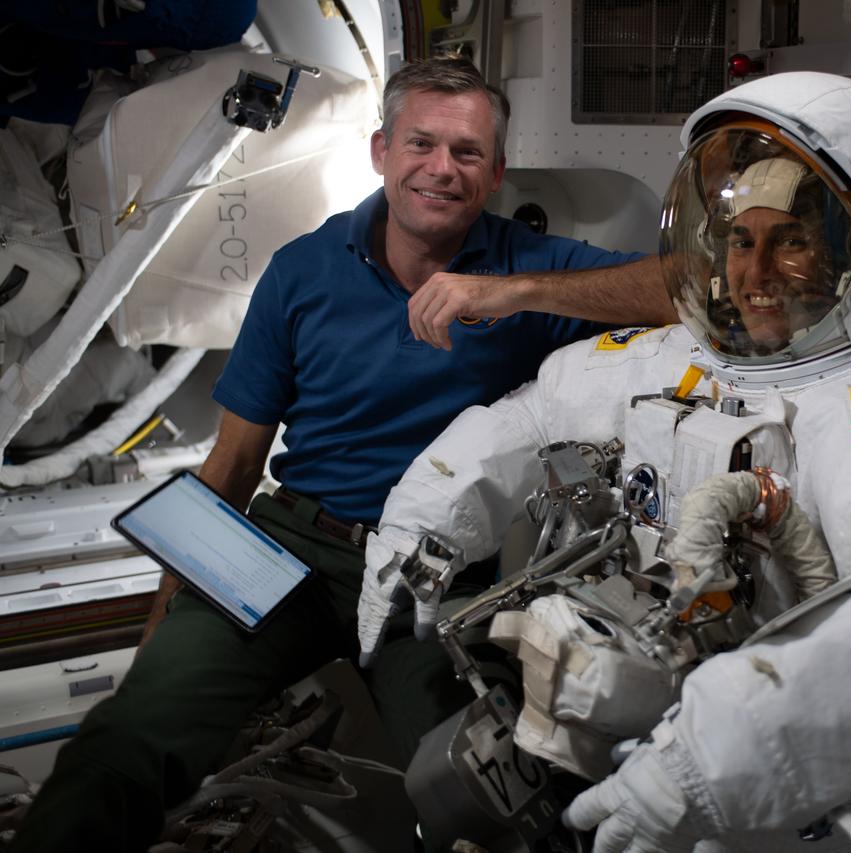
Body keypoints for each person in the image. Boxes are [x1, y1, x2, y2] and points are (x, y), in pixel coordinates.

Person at [360, 72, 851, 852]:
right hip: (681, 739)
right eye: (741, 239)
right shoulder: (686, 357)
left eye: (794, 241)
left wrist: (713, 762)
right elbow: (531, 416)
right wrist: (419, 537)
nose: (754, 271)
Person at [9, 58, 672, 852]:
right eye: (421, 144)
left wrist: (510, 294)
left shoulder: (526, 268)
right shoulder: (302, 271)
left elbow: (682, 290)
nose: (441, 168)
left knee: (496, 793)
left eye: (466, 153)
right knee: (127, 741)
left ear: (496, 173)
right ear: (381, 151)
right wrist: (168, 626)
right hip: (289, 548)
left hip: (431, 581)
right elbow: (231, 466)